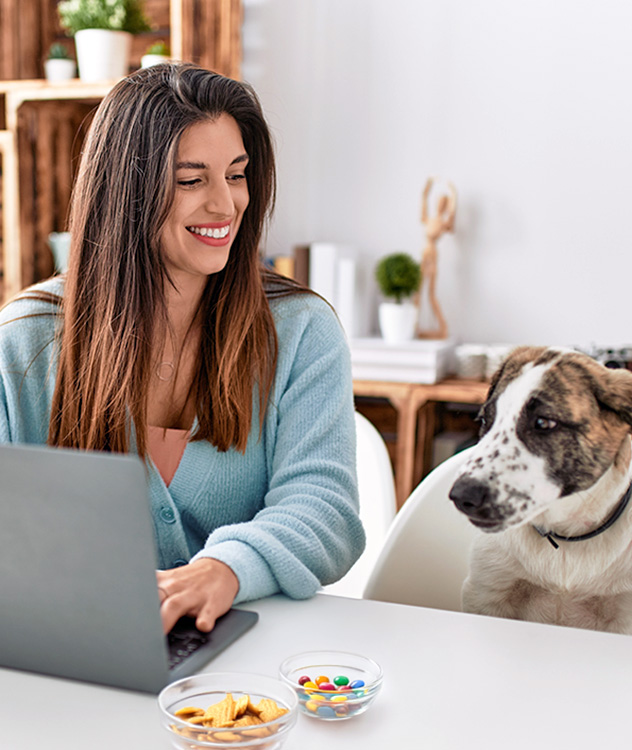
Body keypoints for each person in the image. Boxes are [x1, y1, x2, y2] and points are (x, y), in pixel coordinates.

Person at [0, 63, 365, 634]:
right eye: (192, 180)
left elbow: (326, 510)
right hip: (69, 654)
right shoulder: (24, 341)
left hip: (245, 657)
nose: (225, 205)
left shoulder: (299, 330)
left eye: (237, 175)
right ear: (126, 193)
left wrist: (225, 569)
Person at [414, 177, 456, 339]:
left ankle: (442, 326)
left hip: (433, 256)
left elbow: (453, 211)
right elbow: (424, 199)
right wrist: (428, 186)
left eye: (443, 202)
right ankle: (414, 325)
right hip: (424, 254)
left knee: (431, 294)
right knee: (417, 292)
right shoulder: (429, 220)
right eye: (438, 201)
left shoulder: (443, 223)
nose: (439, 204)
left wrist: (452, 191)